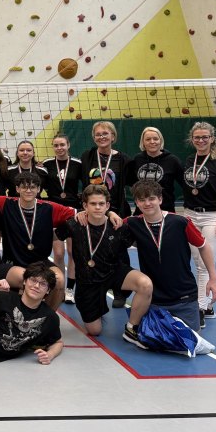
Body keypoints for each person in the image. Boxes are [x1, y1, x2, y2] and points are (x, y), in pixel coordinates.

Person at [0, 171, 79, 310]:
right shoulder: (5, 203)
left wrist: (58, 234)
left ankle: (46, 316)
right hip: (12, 262)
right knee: (22, 287)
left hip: (40, 262)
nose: (28, 190)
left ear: (39, 189)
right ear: (17, 189)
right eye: (24, 187)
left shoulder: (49, 207)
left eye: (32, 187)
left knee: (59, 281)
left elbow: (78, 214)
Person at [54, 184, 152, 346]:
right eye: (93, 204)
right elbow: (54, 235)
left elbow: (139, 238)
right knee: (95, 331)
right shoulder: (74, 224)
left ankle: (131, 327)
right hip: (88, 281)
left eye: (101, 204)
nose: (97, 207)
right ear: (85, 205)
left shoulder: (118, 226)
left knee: (145, 284)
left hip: (113, 272)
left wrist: (112, 214)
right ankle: (96, 308)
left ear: (107, 205)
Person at [119, 180, 216, 331]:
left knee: (189, 339)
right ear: (137, 203)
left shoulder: (180, 222)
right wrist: (107, 213)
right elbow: (105, 225)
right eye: (142, 200)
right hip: (153, 300)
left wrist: (213, 278)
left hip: (184, 298)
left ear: (160, 199)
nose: (147, 203)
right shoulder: (132, 223)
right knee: (154, 338)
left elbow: (203, 246)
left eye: (151, 198)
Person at [182, 121, 216, 325]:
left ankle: (200, 310)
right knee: (198, 263)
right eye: (197, 137)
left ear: (212, 138)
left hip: (213, 216)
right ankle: (208, 306)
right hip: (190, 215)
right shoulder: (190, 160)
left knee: (205, 264)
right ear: (192, 139)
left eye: (205, 137)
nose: (201, 140)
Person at [81, 120, 131, 308]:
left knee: (119, 252)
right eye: (98, 134)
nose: (101, 137)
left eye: (105, 133)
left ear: (113, 136)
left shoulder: (124, 159)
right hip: (94, 211)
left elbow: (130, 184)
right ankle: (97, 289)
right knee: (94, 251)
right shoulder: (87, 156)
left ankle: (120, 291)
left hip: (117, 212)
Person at [42, 133, 84, 304]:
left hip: (72, 212)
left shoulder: (78, 164)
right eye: (56, 145)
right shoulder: (46, 164)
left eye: (62, 145)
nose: (59, 148)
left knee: (73, 252)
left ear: (68, 145)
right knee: (58, 254)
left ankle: (70, 289)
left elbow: (87, 184)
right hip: (54, 212)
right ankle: (60, 287)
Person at [126, 127, 185, 213]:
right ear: (143, 142)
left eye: (155, 139)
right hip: (142, 210)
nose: (152, 142)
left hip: (166, 210)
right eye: (148, 139)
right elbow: (131, 184)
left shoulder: (172, 160)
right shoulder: (137, 159)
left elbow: (185, 184)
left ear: (160, 141)